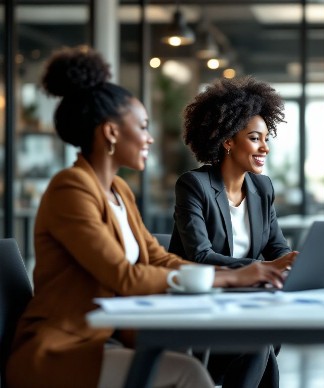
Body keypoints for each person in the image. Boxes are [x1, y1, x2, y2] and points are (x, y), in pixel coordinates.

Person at [5, 46, 284, 388]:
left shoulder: (118, 190)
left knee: (252, 346)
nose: (150, 138)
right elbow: (124, 276)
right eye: (142, 127)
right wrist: (230, 278)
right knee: (189, 372)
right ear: (111, 133)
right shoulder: (71, 189)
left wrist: (239, 275)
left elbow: (157, 258)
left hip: (116, 336)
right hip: (68, 347)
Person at [169, 76, 296, 387]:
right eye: (255, 138)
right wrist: (261, 269)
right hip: (201, 304)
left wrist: (294, 261)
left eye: (267, 138)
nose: (265, 147)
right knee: (261, 340)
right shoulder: (194, 185)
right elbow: (200, 255)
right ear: (227, 140)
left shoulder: (262, 187)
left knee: (261, 338)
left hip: (246, 301)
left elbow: (276, 245)